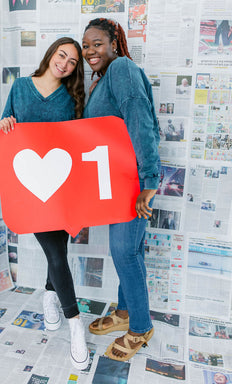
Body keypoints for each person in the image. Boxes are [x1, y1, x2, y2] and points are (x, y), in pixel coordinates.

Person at [0, 37, 89, 370]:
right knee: (54, 252)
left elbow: (79, 142)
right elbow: (6, 125)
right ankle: (75, 322)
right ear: (51, 54)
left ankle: (50, 294)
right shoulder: (21, 86)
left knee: (58, 252)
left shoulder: (71, 98)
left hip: (61, 186)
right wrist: (5, 123)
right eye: (61, 55)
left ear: (74, 70)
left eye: (72, 62)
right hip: (29, 186)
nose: (64, 63)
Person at [82, 18, 160, 362]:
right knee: (129, 251)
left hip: (133, 181)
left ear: (115, 42)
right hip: (114, 184)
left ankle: (140, 327)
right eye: (86, 46)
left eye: (97, 43)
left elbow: (140, 119)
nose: (89, 52)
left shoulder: (123, 68)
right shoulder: (101, 81)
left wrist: (150, 182)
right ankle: (126, 313)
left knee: (125, 252)